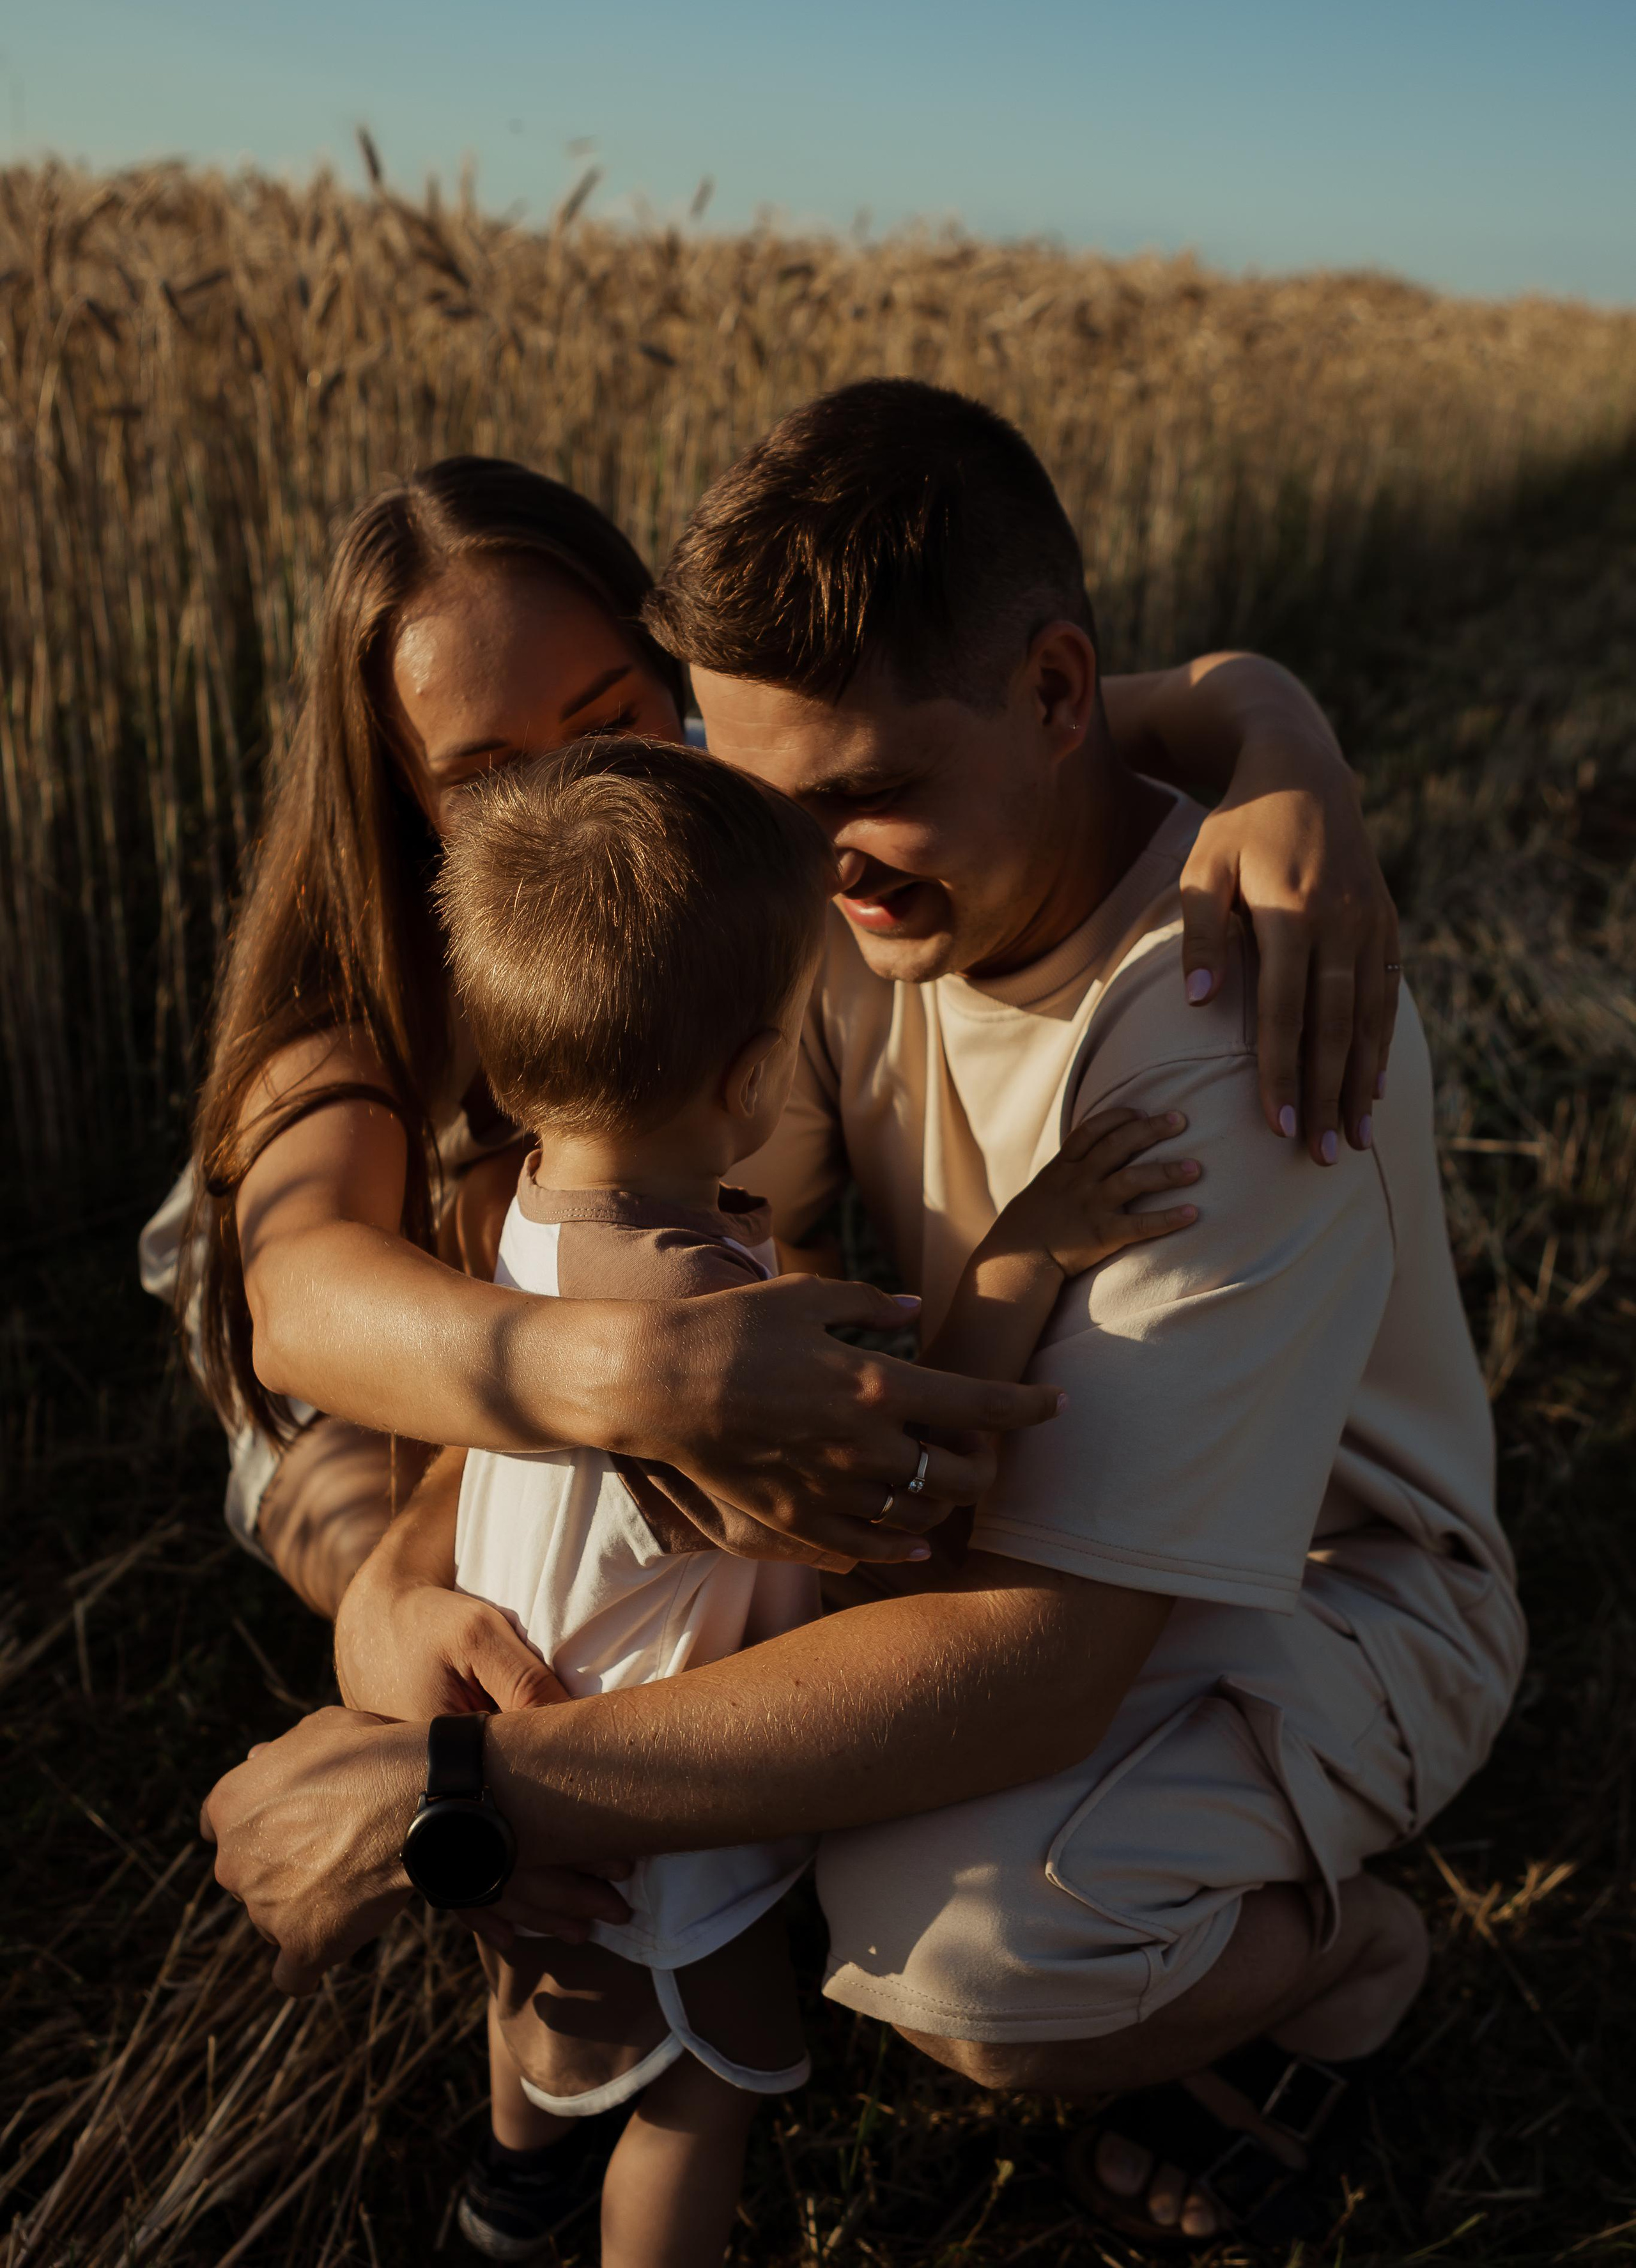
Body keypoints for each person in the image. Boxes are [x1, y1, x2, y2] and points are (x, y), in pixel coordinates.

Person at [202, 391, 1492, 2247]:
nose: (802, 859)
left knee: (971, 1949)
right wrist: (411, 1584)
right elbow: (586, 1281)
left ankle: (1348, 1967)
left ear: (1057, 696)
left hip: (1313, 1576)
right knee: (773, 1801)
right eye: (759, 796)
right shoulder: (826, 892)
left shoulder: (1224, 1028)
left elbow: (1040, 1657)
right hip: (1011, 1501)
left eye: (852, 794)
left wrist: (468, 1791)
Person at [147, 456, 1398, 1628]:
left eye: (610, 718)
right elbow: (302, 1308)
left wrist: (1284, 752)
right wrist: (648, 1378)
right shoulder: (351, 991)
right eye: (485, 776)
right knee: (452, 1623)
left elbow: (1052, 709)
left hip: (625, 1322)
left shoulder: (708, 819)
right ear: (401, 791)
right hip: (368, 1407)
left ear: (676, 685)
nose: (579, 796)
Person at [427, 731, 1208, 2265]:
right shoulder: (696, 1337)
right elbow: (906, 1487)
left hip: (539, 1734)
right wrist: (1020, 1252)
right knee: (693, 2097)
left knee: (544, 2013)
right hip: (653, 1811)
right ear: (753, 1079)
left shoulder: (533, 1215)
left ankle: (510, 2192)